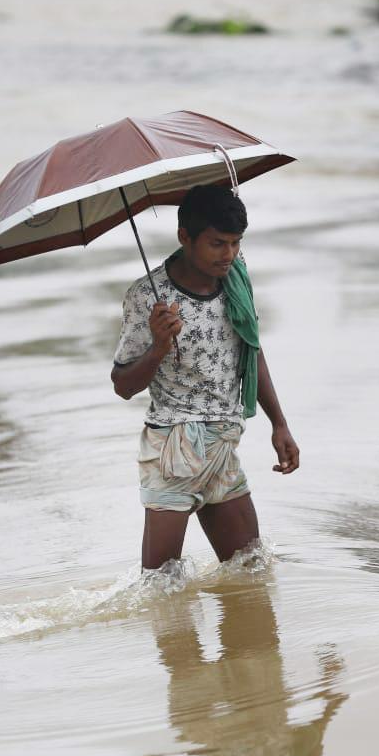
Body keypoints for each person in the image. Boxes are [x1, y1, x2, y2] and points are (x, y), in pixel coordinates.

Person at [111, 184, 299, 570]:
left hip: (223, 445)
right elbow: (123, 385)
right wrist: (159, 347)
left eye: (235, 242)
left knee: (252, 572)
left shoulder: (235, 282)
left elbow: (252, 349)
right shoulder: (149, 297)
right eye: (217, 243)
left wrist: (279, 423)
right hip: (173, 450)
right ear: (185, 237)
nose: (228, 254)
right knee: (162, 586)